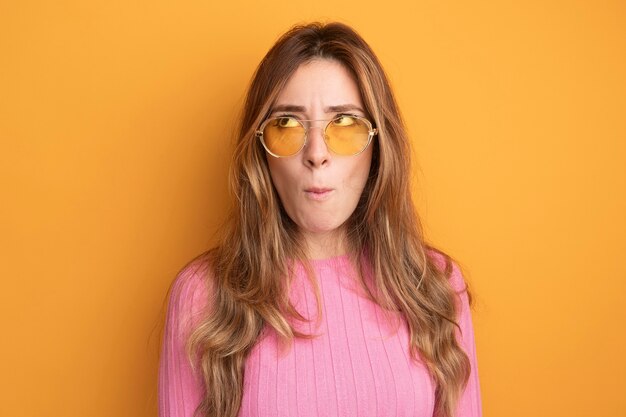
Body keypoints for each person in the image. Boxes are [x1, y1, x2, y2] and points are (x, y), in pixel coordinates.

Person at [159, 22, 482, 417]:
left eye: (344, 124)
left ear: (378, 146)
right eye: (287, 124)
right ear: (260, 151)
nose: (316, 153)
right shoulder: (203, 296)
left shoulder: (434, 288)